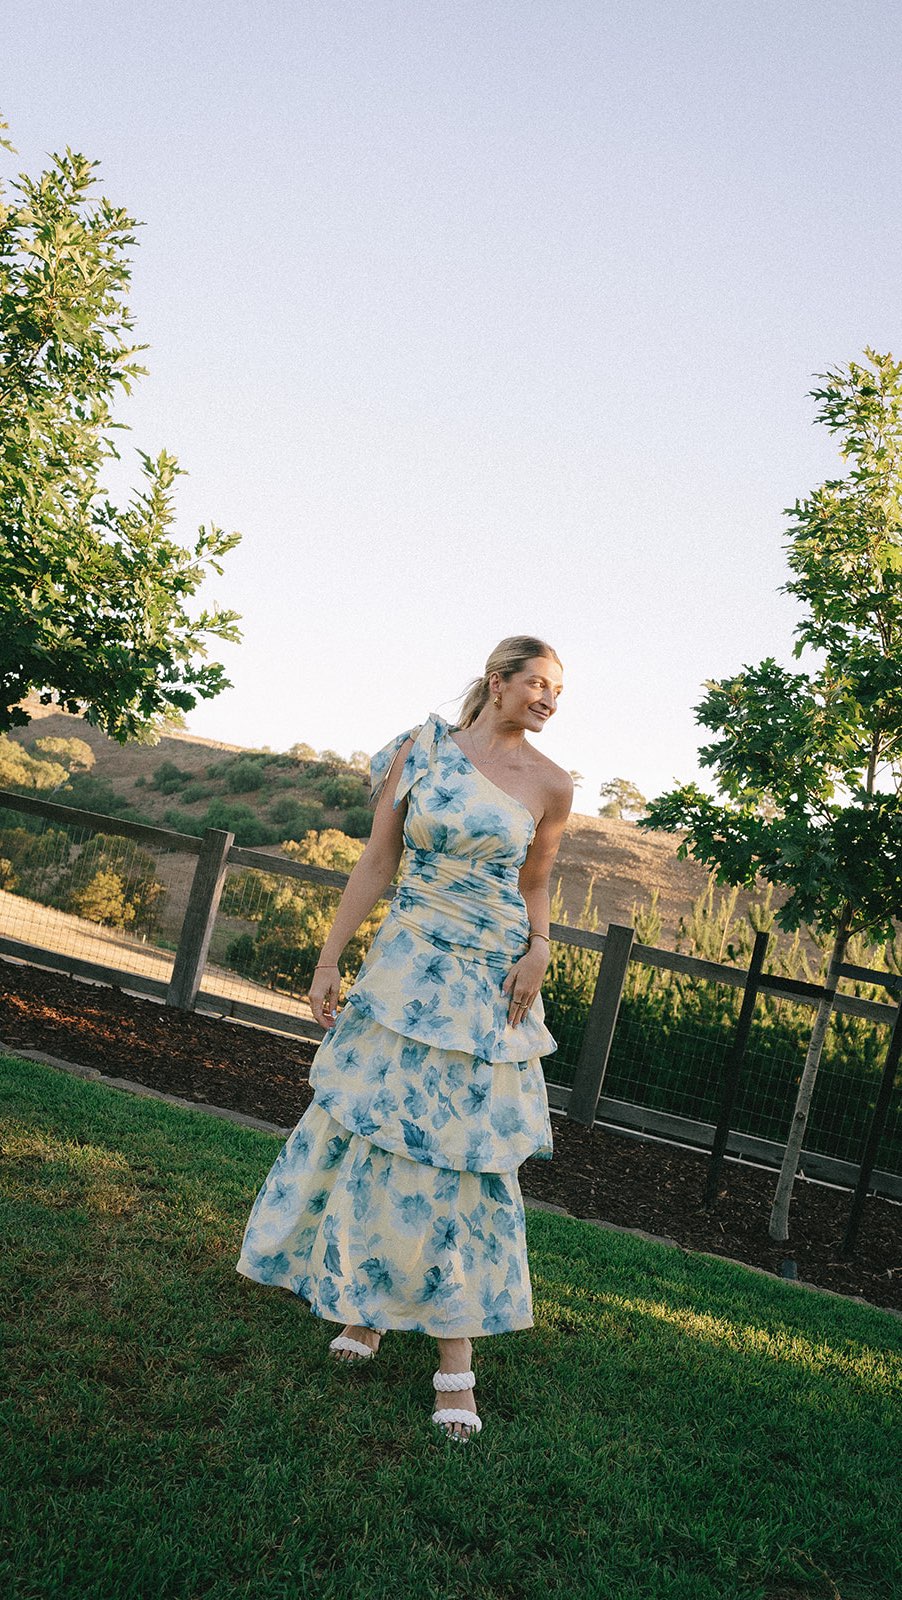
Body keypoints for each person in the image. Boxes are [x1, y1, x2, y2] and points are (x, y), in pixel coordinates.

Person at [236, 635, 573, 1443]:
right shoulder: (422, 751)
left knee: (457, 1156)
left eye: (559, 691)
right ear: (497, 683)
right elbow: (376, 861)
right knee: (375, 1137)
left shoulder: (553, 786)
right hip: (404, 969)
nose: (550, 700)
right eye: (537, 684)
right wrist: (330, 956)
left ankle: (454, 1366)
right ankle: (367, 1306)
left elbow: (536, 885)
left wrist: (540, 948)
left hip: (485, 985)